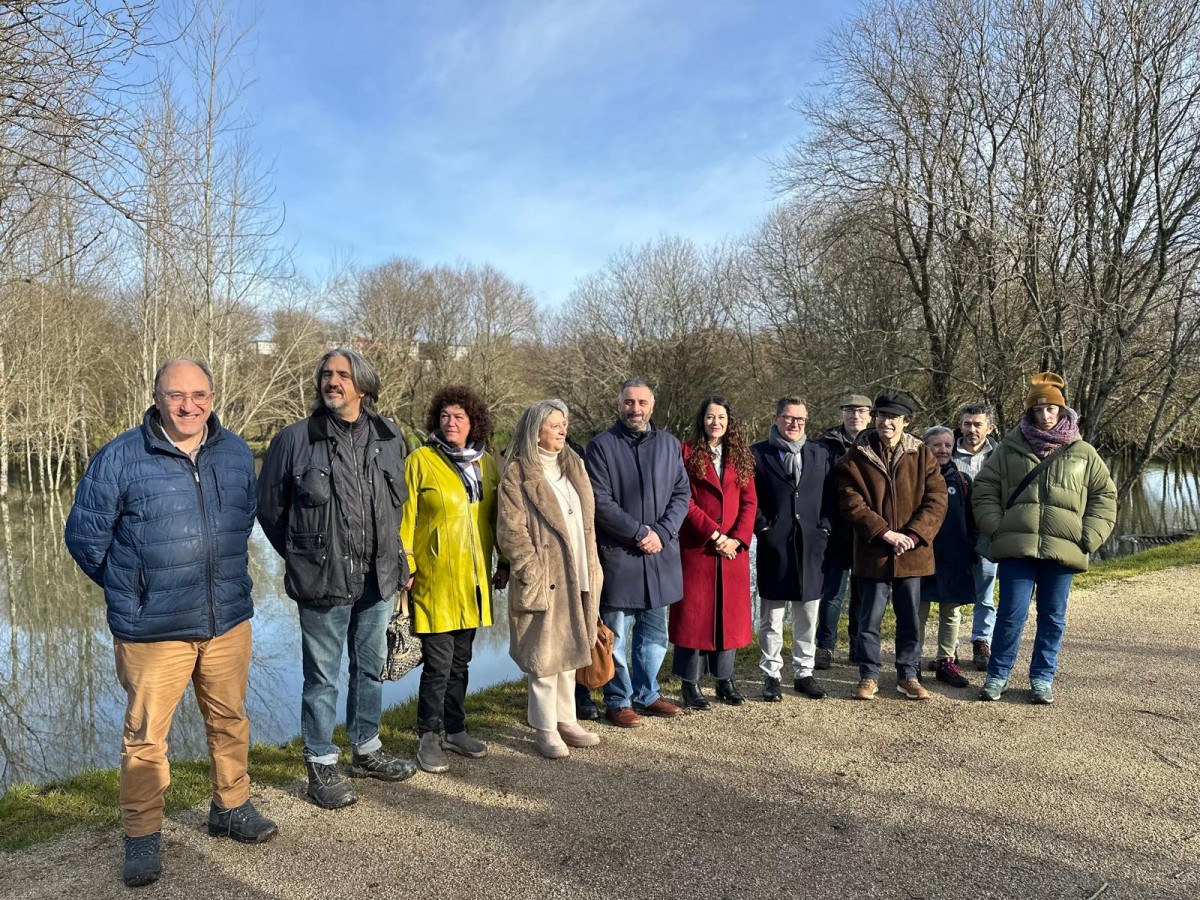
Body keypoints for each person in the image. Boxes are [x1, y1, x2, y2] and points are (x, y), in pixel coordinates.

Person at [65, 359, 276, 888]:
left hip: (226, 618)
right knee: (145, 740)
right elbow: (85, 539)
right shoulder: (120, 456)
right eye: (177, 395)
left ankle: (231, 805)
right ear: (157, 396)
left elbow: (242, 520)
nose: (189, 406)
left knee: (229, 719)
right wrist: (132, 589)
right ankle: (142, 837)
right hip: (153, 629)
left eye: (199, 394)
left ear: (212, 396)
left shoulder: (232, 453)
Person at [257, 349, 418, 810]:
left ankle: (366, 748)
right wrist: (303, 557)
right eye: (326, 374)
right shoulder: (294, 439)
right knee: (321, 677)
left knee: (369, 669)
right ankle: (321, 762)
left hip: (379, 579)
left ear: (363, 387)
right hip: (323, 581)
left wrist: (397, 559)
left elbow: (396, 506)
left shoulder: (390, 435)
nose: (333, 381)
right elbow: (270, 510)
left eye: (342, 375)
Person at [972, 373, 1117, 704]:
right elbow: (984, 490)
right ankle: (998, 675)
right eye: (1039, 410)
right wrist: (997, 527)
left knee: (1053, 618)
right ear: (1030, 413)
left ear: (1062, 411)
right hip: (1017, 548)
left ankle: (1042, 677)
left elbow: (1104, 497)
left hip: (1063, 549)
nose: (1046, 415)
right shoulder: (1009, 448)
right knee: (1011, 614)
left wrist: (1088, 536)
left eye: (1052, 408)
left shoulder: (1083, 452)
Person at [401, 385, 508, 769]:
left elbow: (499, 520)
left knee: (462, 661)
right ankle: (428, 736)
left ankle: (456, 729)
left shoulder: (487, 464)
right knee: (438, 663)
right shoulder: (420, 461)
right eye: (445, 416)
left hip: (475, 580)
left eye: (459, 416)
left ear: (473, 422)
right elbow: (405, 517)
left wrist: (505, 562)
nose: (451, 423)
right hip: (435, 580)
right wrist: (408, 566)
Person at [496, 400, 605, 758]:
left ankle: (567, 719)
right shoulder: (517, 473)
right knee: (544, 654)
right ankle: (544, 727)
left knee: (572, 647)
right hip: (545, 574)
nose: (562, 430)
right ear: (536, 430)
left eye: (564, 424)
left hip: (580, 569)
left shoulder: (574, 464)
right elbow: (511, 531)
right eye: (555, 425)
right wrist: (531, 569)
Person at [585, 379, 690, 727]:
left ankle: (648, 694)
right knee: (615, 635)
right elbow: (600, 502)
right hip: (620, 555)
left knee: (654, 635)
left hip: (660, 556)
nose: (635, 409)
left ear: (653, 405)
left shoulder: (670, 444)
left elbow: (681, 494)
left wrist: (660, 532)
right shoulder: (601, 447)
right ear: (619, 404)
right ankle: (618, 700)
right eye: (629, 402)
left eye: (642, 402)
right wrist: (638, 532)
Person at [835, 392, 947, 702]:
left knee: (910, 618)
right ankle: (869, 675)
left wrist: (911, 535)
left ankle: (907, 675)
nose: (886, 422)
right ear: (874, 418)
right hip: (874, 552)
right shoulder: (856, 456)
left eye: (893, 417)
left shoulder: (922, 455)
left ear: (906, 421)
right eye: (882, 415)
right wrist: (884, 533)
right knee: (868, 619)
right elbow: (850, 501)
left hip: (912, 553)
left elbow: (937, 500)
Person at [670, 396, 758, 709]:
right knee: (693, 617)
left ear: (728, 421)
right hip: (698, 548)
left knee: (729, 618)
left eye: (720, 417)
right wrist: (714, 533)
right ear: (701, 419)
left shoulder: (740, 455)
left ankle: (725, 680)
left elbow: (749, 502)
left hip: (733, 552)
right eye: (709, 416)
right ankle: (690, 684)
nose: (715, 422)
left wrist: (737, 539)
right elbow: (683, 501)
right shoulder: (685, 452)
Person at [752, 397, 836, 702]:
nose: (794, 424)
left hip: (812, 546)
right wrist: (763, 528)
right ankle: (771, 674)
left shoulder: (820, 453)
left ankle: (804, 673)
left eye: (800, 419)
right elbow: (751, 498)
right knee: (772, 618)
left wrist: (825, 526)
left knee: (808, 616)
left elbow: (831, 496)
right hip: (776, 544)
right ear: (776, 419)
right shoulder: (758, 454)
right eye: (788, 418)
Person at [815, 393, 873, 668]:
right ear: (841, 414)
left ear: (870, 415)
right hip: (835, 530)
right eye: (849, 411)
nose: (855, 416)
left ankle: (856, 644)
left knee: (862, 593)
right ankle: (825, 647)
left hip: (867, 530)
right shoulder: (824, 445)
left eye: (861, 411)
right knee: (832, 594)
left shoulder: (877, 443)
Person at [919, 426, 977, 689]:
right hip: (920, 556)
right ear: (925, 447)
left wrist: (971, 546)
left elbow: (973, 519)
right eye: (936, 445)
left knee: (951, 613)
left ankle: (946, 661)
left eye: (947, 445)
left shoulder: (962, 480)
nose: (942, 450)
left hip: (954, 557)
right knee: (916, 612)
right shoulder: (914, 476)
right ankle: (912, 663)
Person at [953, 403, 1000, 671]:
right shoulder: (947, 451)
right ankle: (950, 647)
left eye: (978, 424)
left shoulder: (1000, 454)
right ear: (960, 425)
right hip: (954, 533)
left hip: (986, 534)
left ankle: (982, 641)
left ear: (990, 427)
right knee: (955, 592)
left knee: (985, 592)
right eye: (967, 424)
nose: (972, 429)